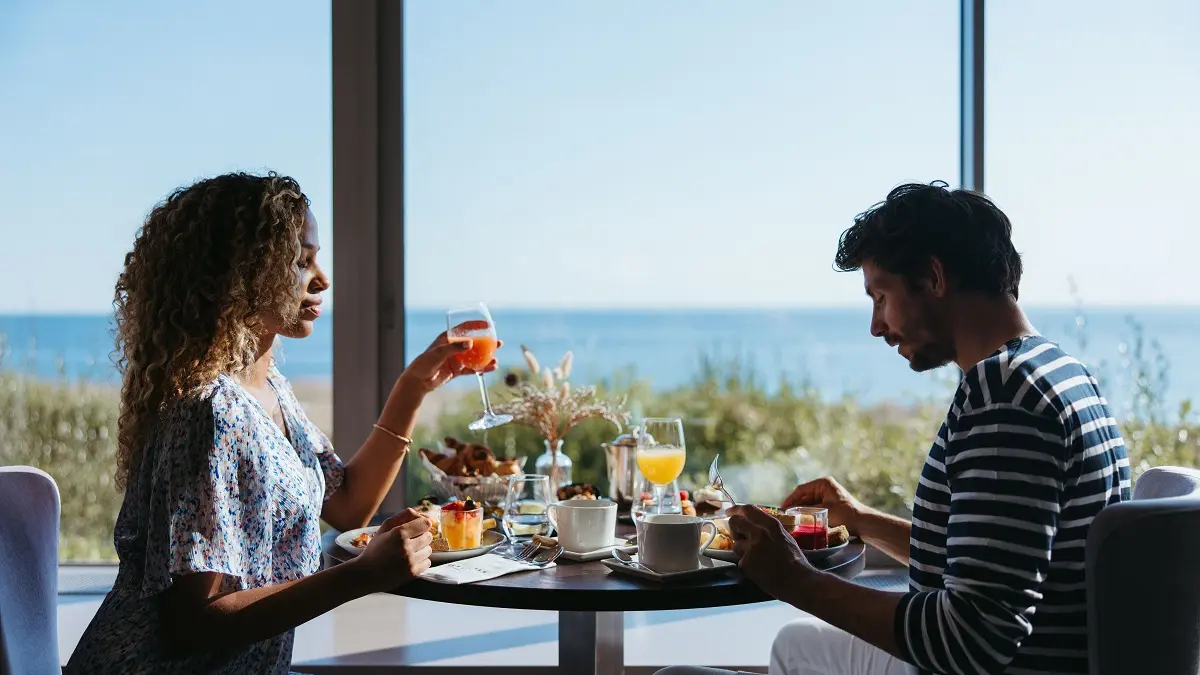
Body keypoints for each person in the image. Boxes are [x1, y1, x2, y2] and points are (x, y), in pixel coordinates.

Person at [658, 182, 1131, 675]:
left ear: (933, 278)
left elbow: (972, 638)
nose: (876, 326)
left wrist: (794, 579)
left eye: (881, 297)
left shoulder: (1004, 394)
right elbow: (992, 563)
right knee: (797, 643)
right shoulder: (1059, 370)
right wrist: (861, 519)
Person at [64, 172, 496, 674]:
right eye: (300, 261)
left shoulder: (271, 391)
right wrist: (362, 574)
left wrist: (413, 387)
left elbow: (349, 504)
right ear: (238, 275)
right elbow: (192, 624)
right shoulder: (209, 414)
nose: (322, 279)